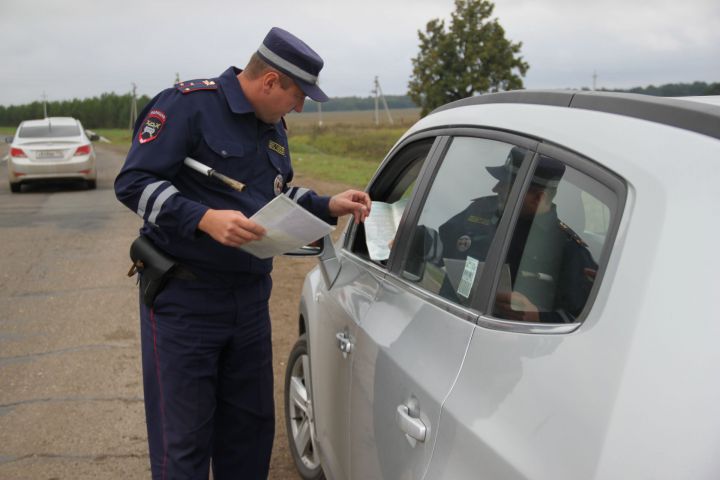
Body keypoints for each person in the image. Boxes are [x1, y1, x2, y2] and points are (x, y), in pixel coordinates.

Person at [114, 27, 371, 480]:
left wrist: (327, 205)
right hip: (185, 301)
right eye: (298, 95)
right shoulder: (187, 105)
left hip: (249, 303)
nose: (299, 107)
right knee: (184, 445)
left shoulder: (272, 128)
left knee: (250, 437)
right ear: (270, 81)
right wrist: (202, 218)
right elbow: (133, 183)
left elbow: (274, 194)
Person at [434, 148, 597, 323]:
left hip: (511, 343)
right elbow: (439, 245)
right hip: (446, 320)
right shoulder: (481, 211)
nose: (495, 188)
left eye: (507, 184)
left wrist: (537, 317)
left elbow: (583, 321)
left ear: (538, 198)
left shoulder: (569, 250)